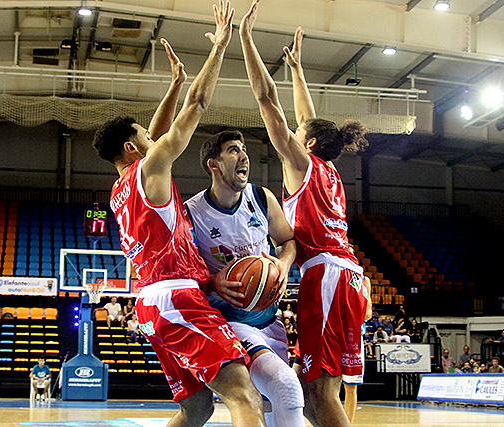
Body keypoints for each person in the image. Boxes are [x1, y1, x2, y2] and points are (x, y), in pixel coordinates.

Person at [93, 2, 265, 424]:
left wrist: (175, 82)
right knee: (244, 395)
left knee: (197, 407)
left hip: (154, 303)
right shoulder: (149, 168)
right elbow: (197, 106)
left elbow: (156, 133)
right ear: (134, 147)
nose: (153, 136)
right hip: (176, 297)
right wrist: (220, 47)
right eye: (143, 135)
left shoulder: (125, 183)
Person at [240, 6, 369, 426]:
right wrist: (296, 70)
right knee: (306, 384)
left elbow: (267, 103)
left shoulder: (302, 162)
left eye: (300, 135)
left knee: (320, 390)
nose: (291, 136)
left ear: (307, 143)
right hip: (345, 273)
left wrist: (246, 40)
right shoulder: (326, 168)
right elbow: (304, 119)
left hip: (327, 274)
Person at [185, 129, 303, 427]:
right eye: (234, 150)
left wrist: (283, 265)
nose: (244, 156)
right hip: (230, 322)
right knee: (286, 387)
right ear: (214, 163)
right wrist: (212, 282)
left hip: (271, 320)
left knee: (282, 397)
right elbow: (183, 272)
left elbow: (288, 241)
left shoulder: (261, 197)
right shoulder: (191, 213)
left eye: (244, 150)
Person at [343, 276, 373, 424]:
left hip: (354, 336)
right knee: (329, 385)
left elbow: (368, 314)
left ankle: (348, 423)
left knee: (351, 386)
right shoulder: (335, 272)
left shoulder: (364, 280)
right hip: (334, 332)